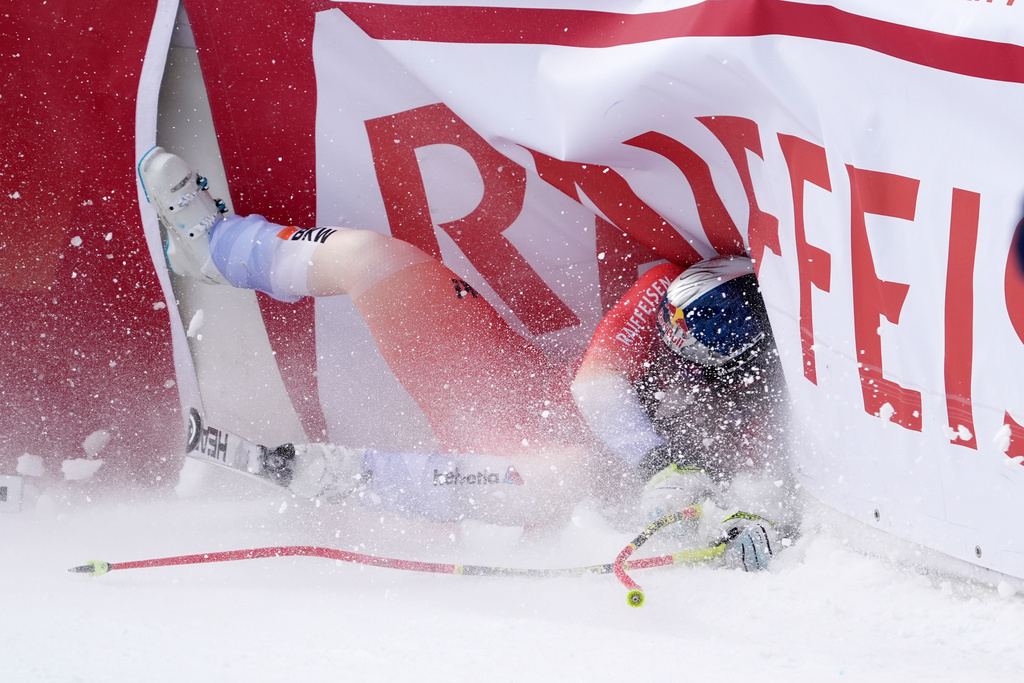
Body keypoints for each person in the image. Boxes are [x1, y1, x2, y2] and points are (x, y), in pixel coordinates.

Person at [140, 146, 593, 528]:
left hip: (534, 457)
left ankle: (350, 477)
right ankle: (219, 248)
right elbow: (606, 375)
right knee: (371, 258)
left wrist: (340, 473)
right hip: (536, 387)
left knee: (555, 479)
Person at [570, 256, 799, 569]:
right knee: (568, 468)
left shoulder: (771, 381)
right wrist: (656, 466)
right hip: (592, 433)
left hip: (688, 453)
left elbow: (767, 477)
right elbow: (592, 386)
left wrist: (748, 520)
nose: (692, 365)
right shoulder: (664, 287)